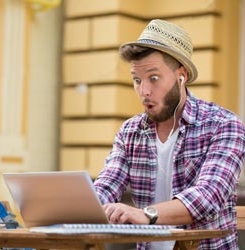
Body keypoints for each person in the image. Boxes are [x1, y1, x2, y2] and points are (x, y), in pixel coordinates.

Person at [93, 19, 245, 250]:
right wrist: (70, 210)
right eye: (137, 80)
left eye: (153, 78)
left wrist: (147, 214)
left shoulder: (224, 124)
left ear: (181, 76)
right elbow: (106, 186)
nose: (144, 91)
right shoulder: (130, 132)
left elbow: (208, 197)